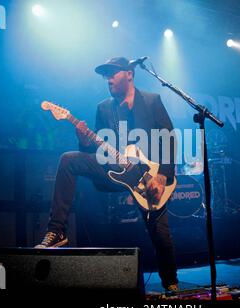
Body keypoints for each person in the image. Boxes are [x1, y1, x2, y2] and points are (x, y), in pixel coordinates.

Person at [35, 57, 179, 291]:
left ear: (129, 74)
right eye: (105, 75)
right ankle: (56, 231)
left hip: (149, 177)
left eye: (113, 73)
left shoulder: (152, 101)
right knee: (69, 160)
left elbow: (169, 139)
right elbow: (97, 150)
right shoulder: (104, 108)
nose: (108, 79)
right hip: (115, 170)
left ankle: (171, 284)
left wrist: (162, 176)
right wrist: (84, 140)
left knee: (160, 232)